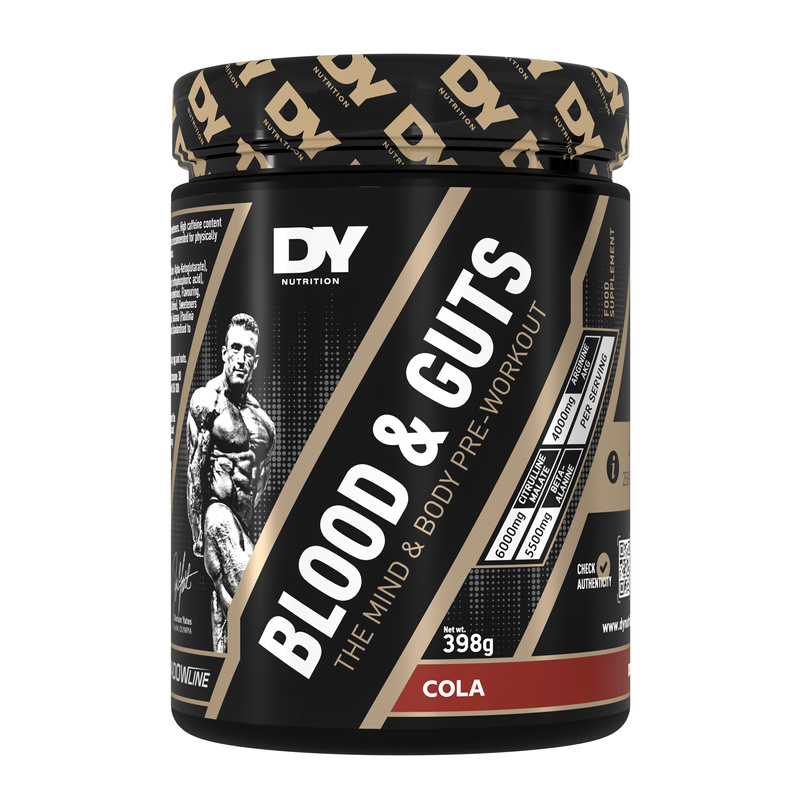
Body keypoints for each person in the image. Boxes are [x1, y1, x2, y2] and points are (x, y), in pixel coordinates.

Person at [186, 313, 275, 652]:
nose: (240, 357)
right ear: (224, 353)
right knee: (251, 599)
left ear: (256, 360)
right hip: (215, 515)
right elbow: (195, 468)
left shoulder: (264, 425)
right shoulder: (206, 402)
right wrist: (198, 534)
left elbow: (260, 483)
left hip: (243, 526)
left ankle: (228, 675)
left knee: (226, 614)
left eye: (248, 351)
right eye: (235, 348)